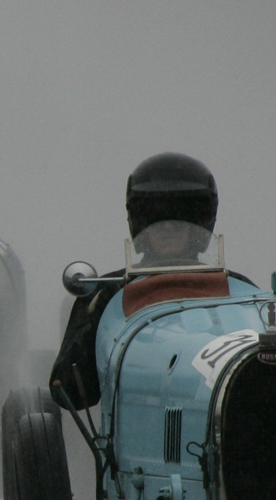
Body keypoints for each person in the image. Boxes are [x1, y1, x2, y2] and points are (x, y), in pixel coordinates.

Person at [50, 152, 221, 411]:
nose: (167, 227)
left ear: (201, 222)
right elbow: (68, 392)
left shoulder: (232, 290)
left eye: (182, 216)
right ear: (139, 222)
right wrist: (97, 321)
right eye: (156, 217)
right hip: (136, 419)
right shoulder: (109, 291)